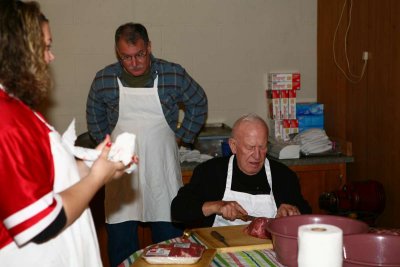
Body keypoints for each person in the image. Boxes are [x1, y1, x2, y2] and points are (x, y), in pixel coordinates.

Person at [0, 1, 137, 266]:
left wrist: (94, 164)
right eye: (46, 47)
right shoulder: (7, 119)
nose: (51, 57)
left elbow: (45, 179)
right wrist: (97, 177)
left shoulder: (18, 108)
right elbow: (41, 225)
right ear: (19, 50)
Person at [86, 23, 208, 266]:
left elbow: (198, 101)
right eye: (126, 57)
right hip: (122, 173)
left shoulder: (173, 74)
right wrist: (106, 146)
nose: (134, 63)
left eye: (140, 54)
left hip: (160, 169)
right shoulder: (104, 79)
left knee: (169, 244)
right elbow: (94, 114)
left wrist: (182, 135)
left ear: (149, 47)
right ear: (117, 53)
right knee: (121, 244)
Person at [171, 113, 311, 227]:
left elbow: (306, 214)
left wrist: (293, 212)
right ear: (233, 146)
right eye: (250, 148)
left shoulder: (283, 175)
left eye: (262, 147)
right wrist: (216, 206)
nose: (257, 155)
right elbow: (178, 210)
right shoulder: (210, 172)